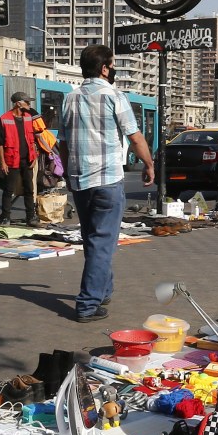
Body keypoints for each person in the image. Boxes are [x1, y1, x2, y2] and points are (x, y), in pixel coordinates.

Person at [59, 45, 154, 323]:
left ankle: (102, 290)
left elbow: (63, 143)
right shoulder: (115, 96)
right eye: (112, 65)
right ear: (104, 68)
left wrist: (67, 172)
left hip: (80, 181)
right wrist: (148, 164)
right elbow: (135, 137)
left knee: (93, 240)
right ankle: (87, 304)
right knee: (102, 243)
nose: (114, 70)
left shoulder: (70, 99)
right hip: (108, 180)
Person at [0, 92, 41, 227]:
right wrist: (2, 162)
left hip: (27, 160)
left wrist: (34, 157)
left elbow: (32, 140)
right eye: (27, 102)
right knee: (9, 190)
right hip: (11, 160)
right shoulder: (4, 119)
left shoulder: (28, 118)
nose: (29, 105)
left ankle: (31, 217)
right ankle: (5, 217)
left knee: (29, 189)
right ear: (18, 103)